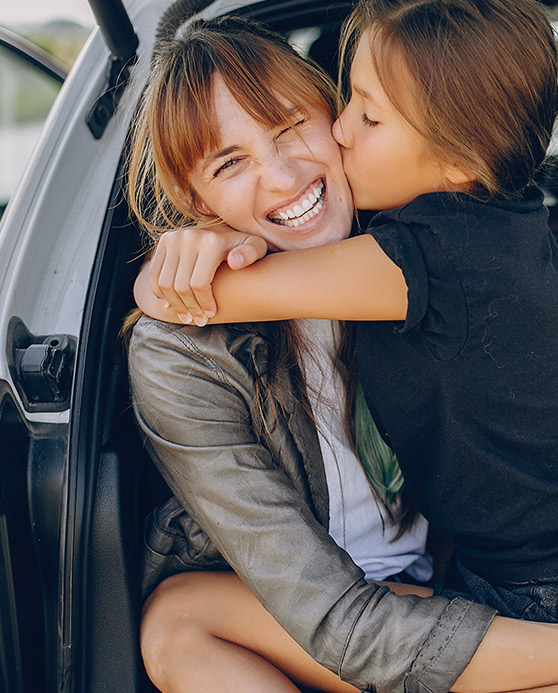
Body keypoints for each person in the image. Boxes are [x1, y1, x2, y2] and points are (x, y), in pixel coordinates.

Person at [129, 10, 558, 693]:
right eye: (230, 162)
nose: (281, 176)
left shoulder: (415, 242)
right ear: (191, 195)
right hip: (357, 616)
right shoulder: (183, 361)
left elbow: (176, 296)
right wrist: (193, 259)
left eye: (293, 124)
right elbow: (336, 620)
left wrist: (176, 278)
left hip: (473, 592)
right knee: (175, 620)